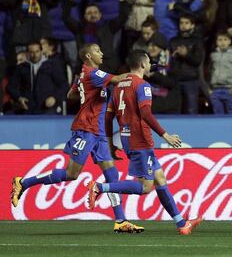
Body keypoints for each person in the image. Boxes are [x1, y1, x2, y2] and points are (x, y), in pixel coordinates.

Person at [11, 43, 143, 233]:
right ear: (88, 56)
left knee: (112, 175)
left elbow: (70, 94)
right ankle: (23, 183)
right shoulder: (93, 74)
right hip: (86, 130)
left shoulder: (84, 75)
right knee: (71, 174)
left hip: (98, 132)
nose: (102, 53)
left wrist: (86, 94)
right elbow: (119, 78)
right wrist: (138, 73)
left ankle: (120, 220)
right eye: (98, 51)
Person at [86, 50, 202, 235]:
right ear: (142, 64)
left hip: (126, 138)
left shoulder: (117, 87)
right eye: (148, 62)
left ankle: (181, 224)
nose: (150, 65)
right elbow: (146, 113)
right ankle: (100, 187)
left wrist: (110, 142)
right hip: (140, 140)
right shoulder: (143, 85)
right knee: (145, 187)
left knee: (160, 179)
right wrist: (165, 135)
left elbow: (107, 118)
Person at [7, 41, 68, 114]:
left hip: (47, 107)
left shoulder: (51, 66)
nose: (35, 55)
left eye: (37, 51)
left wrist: (54, 97)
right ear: (27, 53)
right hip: (27, 107)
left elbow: (63, 85)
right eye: (31, 52)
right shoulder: (21, 68)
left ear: (41, 51)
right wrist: (19, 98)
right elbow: (10, 87)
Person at [208, 32, 232, 114]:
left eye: (225, 40)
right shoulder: (213, 55)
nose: (222, 42)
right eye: (220, 40)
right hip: (216, 90)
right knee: (218, 117)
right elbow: (209, 71)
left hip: (230, 90)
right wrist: (209, 89)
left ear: (229, 41)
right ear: (216, 42)